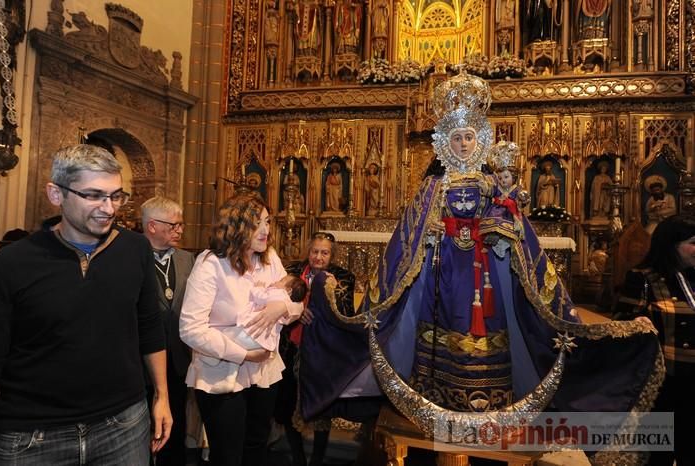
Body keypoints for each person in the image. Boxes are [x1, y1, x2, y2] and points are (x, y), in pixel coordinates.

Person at [306, 73, 663, 464]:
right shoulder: (432, 188)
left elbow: (513, 228)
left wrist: (499, 230)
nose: (462, 144)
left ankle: (489, 403)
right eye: (456, 137)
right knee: (439, 334)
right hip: (442, 281)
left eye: (468, 138)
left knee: (490, 333)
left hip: (484, 278)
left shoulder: (493, 184)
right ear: (445, 140)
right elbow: (407, 238)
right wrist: (429, 235)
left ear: (480, 141)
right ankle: (437, 395)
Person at [0, 144, 171, 464]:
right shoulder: (11, 263)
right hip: (34, 435)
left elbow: (149, 325)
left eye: (116, 195)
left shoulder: (135, 249)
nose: (109, 208)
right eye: (94, 195)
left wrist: (161, 396)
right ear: (56, 194)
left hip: (124, 425)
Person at [180, 193, 303, 466]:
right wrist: (244, 354)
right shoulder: (210, 263)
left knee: (256, 448)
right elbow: (190, 328)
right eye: (257, 223)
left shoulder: (269, 259)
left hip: (263, 372)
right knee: (228, 455)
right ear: (236, 226)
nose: (266, 230)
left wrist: (280, 309)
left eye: (268, 222)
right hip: (221, 373)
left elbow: (297, 304)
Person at [613, 214, 695, 466]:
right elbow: (620, 323)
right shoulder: (644, 279)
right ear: (671, 244)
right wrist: (636, 323)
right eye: (693, 242)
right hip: (663, 386)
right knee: (657, 457)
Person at [275, 232, 356, 466]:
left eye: (324, 252)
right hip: (291, 348)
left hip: (323, 352)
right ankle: (298, 457)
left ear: (332, 255)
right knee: (289, 403)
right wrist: (298, 309)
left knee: (321, 408)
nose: (318, 257)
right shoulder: (291, 272)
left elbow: (346, 313)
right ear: (308, 251)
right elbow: (276, 300)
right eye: (314, 251)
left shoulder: (344, 278)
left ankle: (317, 460)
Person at [141, 196, 196, 466]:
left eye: (181, 225)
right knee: (141, 429)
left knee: (176, 424)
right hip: (140, 362)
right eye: (174, 225)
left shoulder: (189, 259)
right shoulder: (130, 257)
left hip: (178, 359)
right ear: (152, 226)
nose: (180, 230)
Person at [213, 275, 308, 393]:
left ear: (288, 290)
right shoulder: (285, 299)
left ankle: (214, 361)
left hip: (252, 335)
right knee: (236, 354)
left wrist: (258, 288)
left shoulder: (279, 294)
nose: (277, 280)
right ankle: (229, 380)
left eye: (281, 281)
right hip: (262, 342)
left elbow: (261, 297)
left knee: (222, 335)